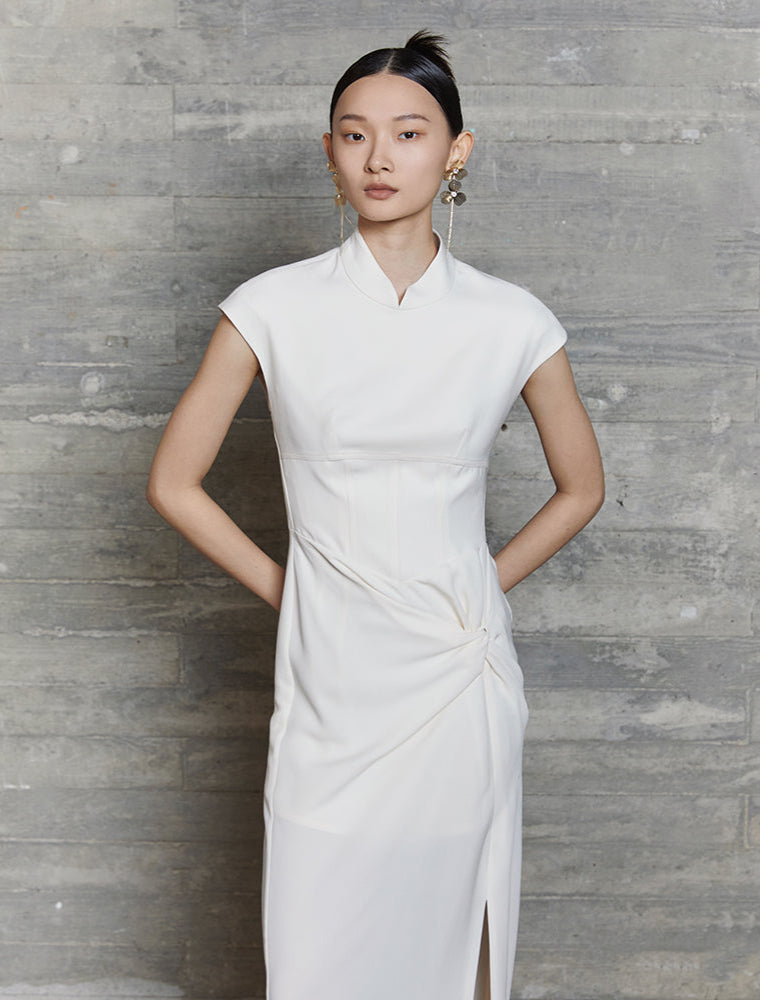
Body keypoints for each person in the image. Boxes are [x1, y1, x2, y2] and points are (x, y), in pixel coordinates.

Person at [146, 29, 604, 1000]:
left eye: (409, 132)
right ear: (330, 153)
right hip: (333, 677)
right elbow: (174, 482)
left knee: (456, 933)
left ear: (456, 152)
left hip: (457, 674)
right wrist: (298, 593)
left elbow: (582, 488)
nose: (379, 157)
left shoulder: (511, 319)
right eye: (355, 135)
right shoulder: (270, 307)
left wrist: (480, 587)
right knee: (318, 945)